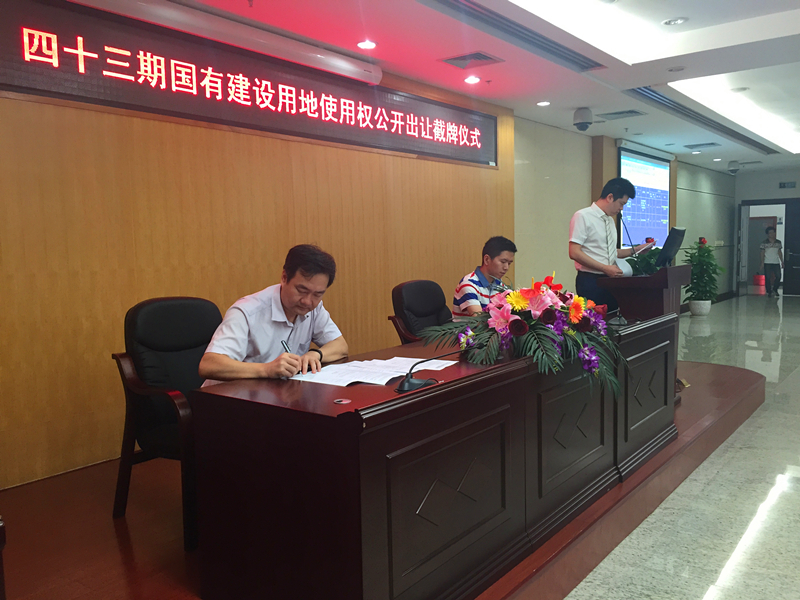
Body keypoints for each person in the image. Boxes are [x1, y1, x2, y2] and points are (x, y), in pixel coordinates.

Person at [199, 244, 348, 384]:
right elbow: (209, 365)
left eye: (318, 294)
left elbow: (340, 346)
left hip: (276, 395)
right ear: (284, 277)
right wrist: (266, 369)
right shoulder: (247, 312)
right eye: (301, 290)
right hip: (226, 398)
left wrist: (315, 354)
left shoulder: (314, 308)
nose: (307, 301)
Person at [568, 178, 651, 311]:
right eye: (621, 203)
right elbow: (574, 252)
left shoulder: (610, 220)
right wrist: (605, 268)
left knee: (612, 318)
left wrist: (636, 250)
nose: (621, 208)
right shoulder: (583, 216)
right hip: (590, 281)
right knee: (595, 321)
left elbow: (611, 252)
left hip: (611, 281)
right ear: (610, 197)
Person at [453, 236, 516, 316]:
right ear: (486, 259)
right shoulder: (468, 285)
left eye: (509, 263)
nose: (506, 267)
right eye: (503, 262)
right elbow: (480, 320)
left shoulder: (500, 285)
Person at [760, 226, 784, 298]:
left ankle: (775, 289)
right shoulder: (764, 243)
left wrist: (782, 261)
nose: (772, 234)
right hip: (767, 262)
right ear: (767, 234)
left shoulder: (778, 242)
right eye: (770, 233)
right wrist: (762, 262)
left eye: (773, 232)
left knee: (778, 276)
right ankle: (769, 291)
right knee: (767, 277)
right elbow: (762, 253)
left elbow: (779, 252)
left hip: (776, 262)